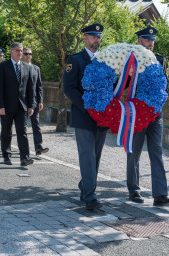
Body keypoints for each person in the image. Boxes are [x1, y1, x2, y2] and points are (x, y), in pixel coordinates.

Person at [127, 26, 169, 207]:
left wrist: (156, 107)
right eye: (147, 40)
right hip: (137, 113)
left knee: (157, 152)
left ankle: (160, 195)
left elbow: (165, 88)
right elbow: (123, 86)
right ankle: (134, 190)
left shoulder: (161, 61)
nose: (150, 44)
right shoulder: (130, 60)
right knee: (134, 152)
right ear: (139, 41)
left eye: (152, 40)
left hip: (156, 114)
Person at [63, 23, 108, 211]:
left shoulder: (106, 60)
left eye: (98, 37)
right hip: (84, 115)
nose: (96, 40)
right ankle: (90, 195)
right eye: (93, 36)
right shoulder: (76, 60)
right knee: (87, 155)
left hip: (102, 117)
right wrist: (88, 107)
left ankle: (85, 187)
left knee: (96, 156)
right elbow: (69, 89)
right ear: (84, 38)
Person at [0, 42, 35, 166]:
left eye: (21, 51)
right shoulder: (3, 66)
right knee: (6, 131)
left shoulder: (26, 67)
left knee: (22, 131)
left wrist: (31, 105)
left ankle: (25, 158)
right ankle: (6, 155)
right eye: (17, 50)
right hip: (6, 106)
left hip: (22, 106)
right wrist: (0, 105)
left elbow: (30, 88)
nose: (20, 53)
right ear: (11, 51)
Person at [22, 47, 49, 156]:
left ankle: (39, 147)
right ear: (22, 55)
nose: (28, 55)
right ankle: (23, 149)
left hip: (34, 101)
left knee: (36, 124)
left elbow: (39, 86)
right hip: (22, 102)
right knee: (22, 126)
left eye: (30, 54)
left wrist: (40, 100)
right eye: (26, 53)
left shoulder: (36, 68)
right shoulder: (19, 67)